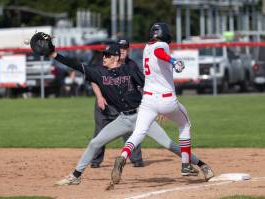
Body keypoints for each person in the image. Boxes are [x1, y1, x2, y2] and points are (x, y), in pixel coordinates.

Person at [29, 35, 214, 186]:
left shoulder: (130, 70)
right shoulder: (98, 73)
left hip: (143, 115)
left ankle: (202, 164)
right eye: (103, 55)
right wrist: (53, 54)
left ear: (117, 57)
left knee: (170, 145)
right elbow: (75, 65)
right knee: (95, 142)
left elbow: (150, 86)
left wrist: (160, 108)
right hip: (123, 119)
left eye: (108, 55)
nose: (104, 57)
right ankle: (75, 176)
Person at [111, 22, 208, 185]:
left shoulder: (146, 48)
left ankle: (122, 157)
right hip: (166, 99)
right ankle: (185, 165)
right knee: (185, 124)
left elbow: (155, 52)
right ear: (164, 33)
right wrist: (173, 61)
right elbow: (159, 52)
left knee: (139, 132)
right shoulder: (161, 45)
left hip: (148, 100)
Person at [90, 39, 144, 168]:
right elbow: (93, 80)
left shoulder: (131, 65)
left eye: (125, 48)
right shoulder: (105, 62)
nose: (123, 50)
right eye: (120, 48)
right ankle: (95, 161)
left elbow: (140, 85)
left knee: (131, 131)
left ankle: (136, 159)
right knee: (100, 132)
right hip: (105, 104)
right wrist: (99, 97)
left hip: (125, 106)